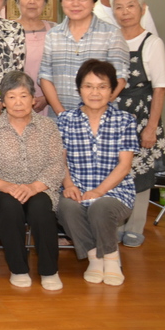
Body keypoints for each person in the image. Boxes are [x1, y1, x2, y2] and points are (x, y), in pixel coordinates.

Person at [0, 71, 64, 290]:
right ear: (3, 102)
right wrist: (7, 186)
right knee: (10, 208)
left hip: (40, 187)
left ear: (33, 99)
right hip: (2, 189)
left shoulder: (48, 127)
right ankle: (18, 269)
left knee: (41, 209)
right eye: (11, 97)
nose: (18, 102)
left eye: (24, 96)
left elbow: (57, 164)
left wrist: (33, 187)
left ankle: (49, 270)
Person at [57, 59, 137, 286]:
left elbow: (124, 165)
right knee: (66, 206)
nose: (95, 92)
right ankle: (94, 257)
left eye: (102, 87)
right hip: (76, 188)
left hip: (116, 192)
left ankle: (111, 258)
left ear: (112, 90)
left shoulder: (125, 120)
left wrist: (100, 190)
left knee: (101, 207)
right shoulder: (65, 120)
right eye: (88, 86)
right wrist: (70, 185)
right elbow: (59, 160)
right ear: (79, 89)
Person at [112, 0, 165, 247]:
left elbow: (160, 88)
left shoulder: (152, 42)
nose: (125, 12)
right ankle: (117, 223)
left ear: (143, 9)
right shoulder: (112, 39)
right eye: (119, 7)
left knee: (140, 176)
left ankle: (135, 226)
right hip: (113, 119)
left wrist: (151, 127)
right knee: (115, 173)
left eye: (131, 6)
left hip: (142, 118)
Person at [39, 0, 128, 116]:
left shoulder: (112, 33)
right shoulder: (53, 35)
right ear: (61, 0)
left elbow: (120, 78)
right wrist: (62, 114)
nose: (75, 3)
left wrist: (93, 112)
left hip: (101, 120)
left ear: (94, 1)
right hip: (59, 119)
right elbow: (45, 77)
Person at [14, 0, 56, 113]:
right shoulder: (7, 31)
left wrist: (46, 98)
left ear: (45, 3)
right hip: (15, 102)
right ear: (17, 1)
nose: (32, 2)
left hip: (50, 103)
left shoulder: (55, 31)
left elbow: (61, 70)